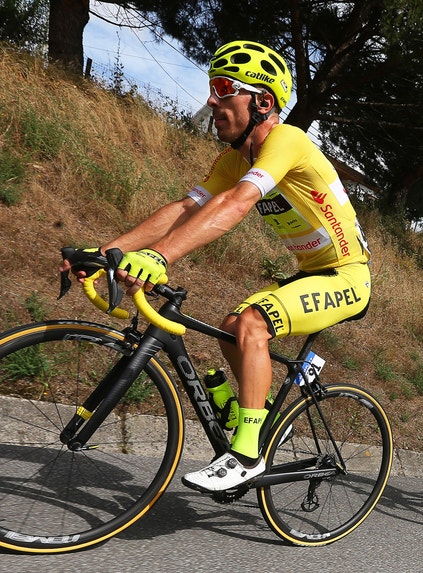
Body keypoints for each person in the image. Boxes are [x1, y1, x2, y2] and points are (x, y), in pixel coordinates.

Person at [60, 41, 371, 493]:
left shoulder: (288, 140)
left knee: (252, 323)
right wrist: (107, 251)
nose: (211, 100)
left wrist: (160, 256)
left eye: (224, 89)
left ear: (262, 102)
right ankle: (257, 416)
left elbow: (238, 202)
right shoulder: (234, 159)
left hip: (348, 275)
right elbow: (186, 208)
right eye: (212, 89)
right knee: (231, 328)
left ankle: (247, 454)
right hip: (311, 273)